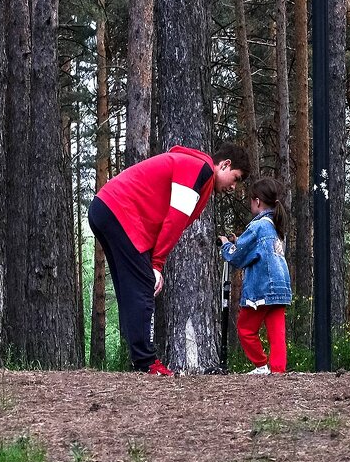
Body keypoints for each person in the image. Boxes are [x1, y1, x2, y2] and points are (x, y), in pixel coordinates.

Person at [88, 143, 251, 376]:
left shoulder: (194, 168)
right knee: (143, 285)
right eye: (235, 178)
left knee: (131, 287)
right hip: (119, 211)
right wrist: (156, 265)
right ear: (225, 165)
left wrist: (153, 263)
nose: (233, 187)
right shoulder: (199, 169)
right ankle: (147, 363)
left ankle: (139, 360)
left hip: (107, 209)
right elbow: (174, 219)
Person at [219, 177, 292, 375]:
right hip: (280, 288)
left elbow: (238, 256)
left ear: (257, 201)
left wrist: (227, 244)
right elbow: (257, 248)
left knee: (245, 328)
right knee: (277, 333)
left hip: (261, 287)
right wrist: (239, 240)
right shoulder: (276, 227)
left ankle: (260, 365)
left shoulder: (258, 226)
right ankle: (278, 371)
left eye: (251, 200)